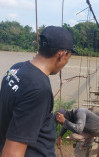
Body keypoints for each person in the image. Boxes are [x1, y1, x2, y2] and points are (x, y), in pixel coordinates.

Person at [0, 26, 74, 157]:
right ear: (61, 54)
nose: (66, 62)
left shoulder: (16, 68)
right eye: (69, 56)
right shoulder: (39, 89)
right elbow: (12, 153)